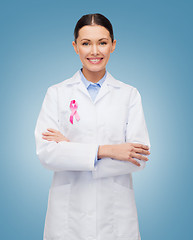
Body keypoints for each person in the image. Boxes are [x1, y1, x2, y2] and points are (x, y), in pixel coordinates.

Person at [35, 13, 150, 240]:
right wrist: (106, 151)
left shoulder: (129, 95)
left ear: (113, 45)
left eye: (102, 43)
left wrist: (71, 151)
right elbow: (47, 154)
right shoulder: (56, 93)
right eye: (86, 43)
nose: (95, 51)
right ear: (75, 46)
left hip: (115, 218)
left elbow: (138, 158)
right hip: (67, 219)